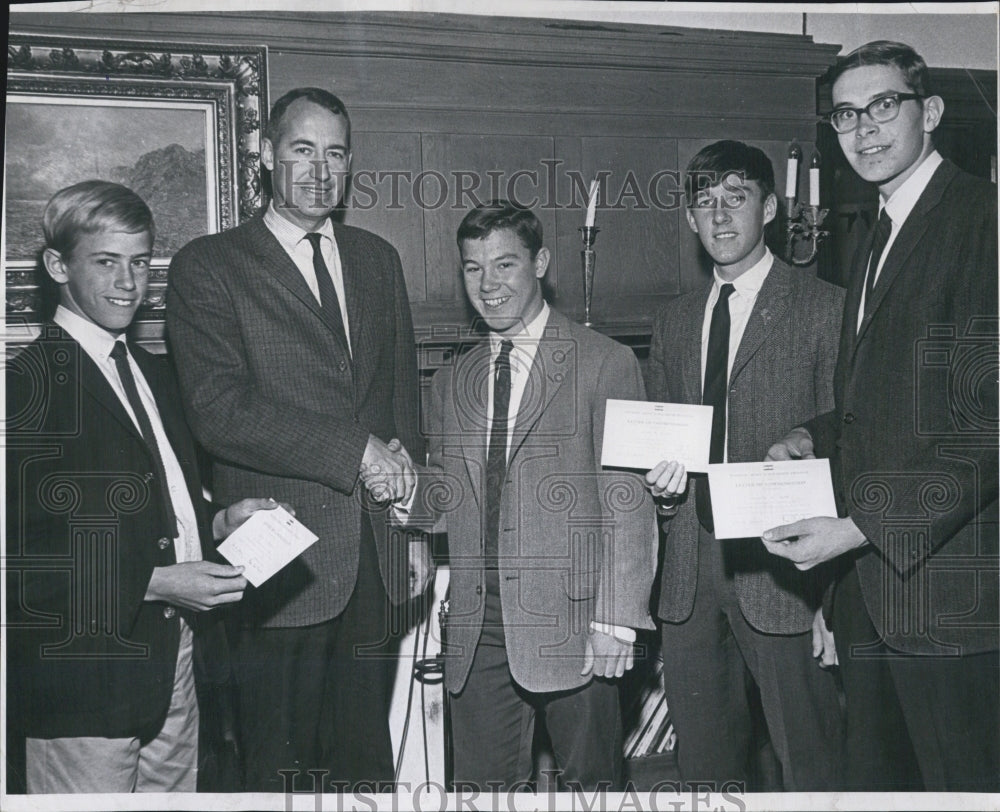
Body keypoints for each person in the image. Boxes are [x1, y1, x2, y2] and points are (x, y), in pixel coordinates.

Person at [166, 87, 428, 792]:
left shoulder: (378, 258)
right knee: (278, 774)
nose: (320, 170)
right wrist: (353, 450)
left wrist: (416, 529)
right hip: (277, 569)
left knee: (363, 770)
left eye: (336, 153)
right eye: (303, 150)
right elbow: (219, 411)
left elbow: (403, 400)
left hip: (374, 563)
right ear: (266, 154)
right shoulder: (209, 265)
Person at [762, 41, 998, 792]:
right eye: (845, 115)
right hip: (871, 598)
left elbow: (988, 425)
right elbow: (887, 400)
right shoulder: (871, 233)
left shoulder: (982, 219)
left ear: (928, 111)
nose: (863, 129)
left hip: (951, 601)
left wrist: (857, 528)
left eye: (883, 106)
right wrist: (811, 434)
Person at [6, 180, 278, 793]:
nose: (129, 282)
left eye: (140, 263)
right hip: (83, 683)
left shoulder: (156, 374)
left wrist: (218, 522)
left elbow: (159, 509)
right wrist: (156, 582)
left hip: (174, 668)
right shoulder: (24, 390)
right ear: (57, 266)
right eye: (106, 262)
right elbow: (20, 561)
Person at [397, 201, 657, 790]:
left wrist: (616, 620)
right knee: (480, 794)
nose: (487, 285)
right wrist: (403, 493)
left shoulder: (604, 362)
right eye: (471, 268)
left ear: (540, 263)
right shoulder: (450, 379)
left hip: (576, 621)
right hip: (477, 624)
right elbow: (449, 498)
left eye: (504, 264)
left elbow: (627, 500)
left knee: (593, 792)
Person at [643, 141, 845, 790]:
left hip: (787, 572)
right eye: (705, 202)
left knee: (811, 766)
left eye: (736, 198)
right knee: (703, 773)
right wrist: (661, 489)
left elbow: (850, 442)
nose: (720, 216)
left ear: (771, 206)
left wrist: (833, 600)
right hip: (688, 573)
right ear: (689, 220)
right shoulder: (674, 321)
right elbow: (659, 441)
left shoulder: (826, 308)